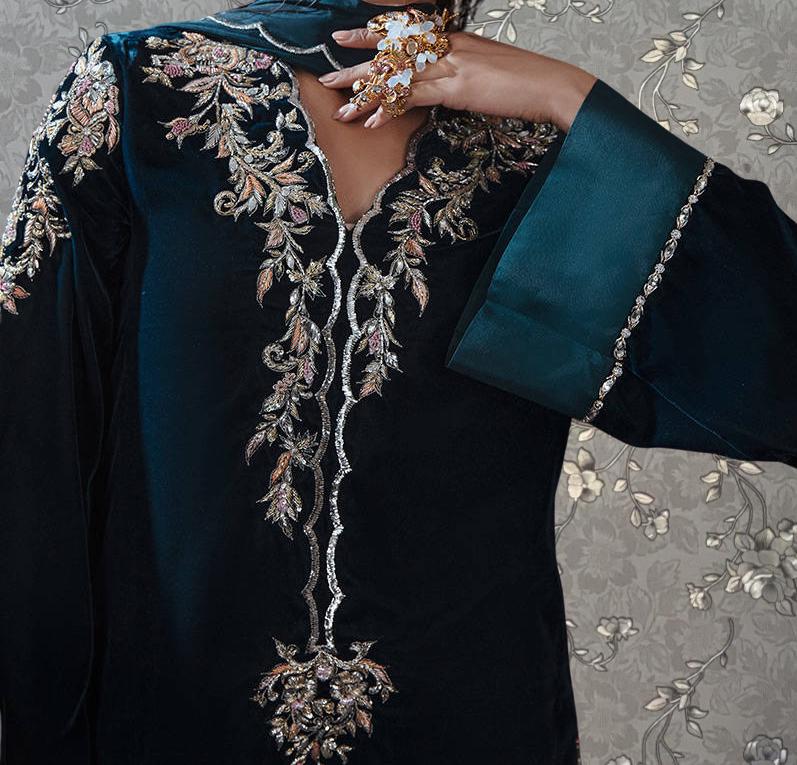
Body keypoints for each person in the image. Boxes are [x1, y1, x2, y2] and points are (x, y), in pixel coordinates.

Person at [0, 0, 794, 762]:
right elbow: (30, 440)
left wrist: (569, 97)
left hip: (472, 717)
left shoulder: (531, 142)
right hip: (172, 713)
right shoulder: (136, 92)